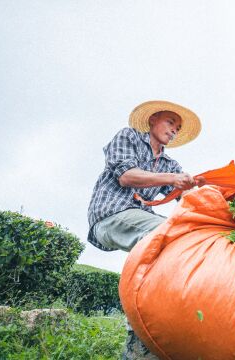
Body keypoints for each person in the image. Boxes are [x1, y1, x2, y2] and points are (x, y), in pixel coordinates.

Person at [87, 100, 205, 359]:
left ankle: (156, 324)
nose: (174, 130)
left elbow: (184, 195)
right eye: (170, 122)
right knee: (168, 233)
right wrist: (174, 179)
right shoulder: (128, 137)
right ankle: (141, 324)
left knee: (184, 234)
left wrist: (202, 185)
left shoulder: (169, 164)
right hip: (110, 215)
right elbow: (127, 176)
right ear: (152, 120)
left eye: (178, 128)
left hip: (140, 219)